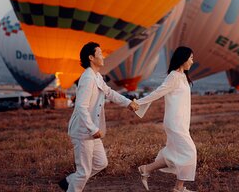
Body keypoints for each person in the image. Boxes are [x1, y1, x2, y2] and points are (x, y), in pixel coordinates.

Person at [58, 42, 139, 192]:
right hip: (84, 131)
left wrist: (128, 103)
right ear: (91, 57)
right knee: (84, 172)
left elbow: (109, 93)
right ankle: (72, 185)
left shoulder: (97, 76)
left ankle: (70, 181)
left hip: (92, 131)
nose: (103, 57)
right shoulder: (88, 78)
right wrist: (92, 128)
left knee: (101, 163)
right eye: (100, 54)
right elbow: (81, 106)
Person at [135, 46, 196, 192]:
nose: (193, 62)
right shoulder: (174, 76)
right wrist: (138, 103)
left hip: (182, 122)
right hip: (174, 122)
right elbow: (158, 93)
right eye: (191, 58)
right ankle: (178, 188)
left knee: (176, 154)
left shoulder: (182, 76)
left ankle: (146, 169)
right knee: (190, 152)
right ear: (183, 58)